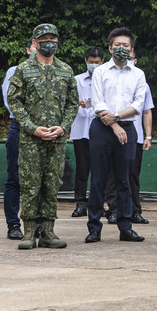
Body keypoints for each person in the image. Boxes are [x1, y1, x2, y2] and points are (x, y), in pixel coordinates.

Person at [6, 23, 79, 250]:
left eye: (53, 39)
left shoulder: (65, 70)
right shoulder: (23, 69)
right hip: (31, 139)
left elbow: (72, 103)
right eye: (44, 39)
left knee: (51, 185)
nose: (50, 43)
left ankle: (48, 232)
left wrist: (63, 126)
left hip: (56, 140)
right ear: (35, 43)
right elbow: (14, 100)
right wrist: (31, 127)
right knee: (30, 184)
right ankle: (28, 232)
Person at [86, 27, 146, 243]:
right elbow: (98, 101)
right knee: (99, 179)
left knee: (124, 180)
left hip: (127, 128)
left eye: (126, 46)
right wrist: (114, 125)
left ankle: (126, 227)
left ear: (132, 50)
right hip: (102, 129)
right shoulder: (100, 72)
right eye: (117, 45)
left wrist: (118, 119)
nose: (122, 49)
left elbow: (138, 104)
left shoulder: (139, 74)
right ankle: (94, 227)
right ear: (110, 47)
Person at [105, 49, 153, 225]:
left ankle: (134, 210)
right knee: (112, 174)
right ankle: (114, 209)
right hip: (110, 132)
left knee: (132, 175)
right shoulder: (108, 77)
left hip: (135, 135)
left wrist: (148, 136)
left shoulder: (141, 81)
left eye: (132, 58)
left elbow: (147, 111)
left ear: (136, 60)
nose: (128, 60)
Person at [0, 39, 35, 240]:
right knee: (14, 178)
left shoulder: (54, 71)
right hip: (19, 128)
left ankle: (38, 225)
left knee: (39, 180)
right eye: (35, 46)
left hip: (43, 131)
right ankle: (13, 225)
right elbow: (10, 101)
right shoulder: (14, 71)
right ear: (28, 49)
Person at [70, 46, 103, 218]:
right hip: (81, 130)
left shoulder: (106, 79)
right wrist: (78, 102)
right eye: (91, 62)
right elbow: (68, 100)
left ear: (102, 62)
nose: (94, 65)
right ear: (85, 61)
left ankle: (98, 203)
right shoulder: (76, 80)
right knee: (82, 169)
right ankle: (80, 203)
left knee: (100, 170)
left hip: (101, 130)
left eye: (97, 63)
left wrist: (89, 103)